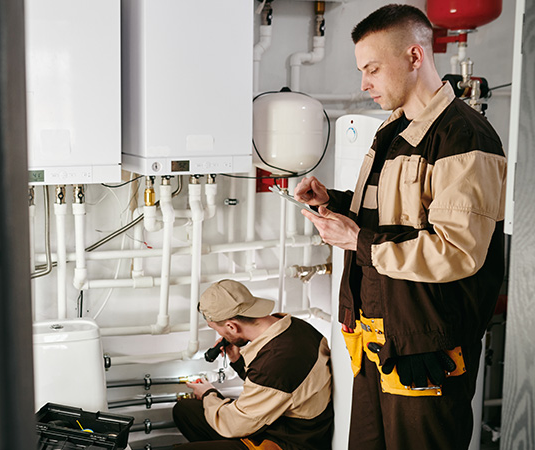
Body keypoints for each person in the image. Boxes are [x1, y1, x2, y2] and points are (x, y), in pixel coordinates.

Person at [294, 5, 506, 450]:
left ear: (414, 57)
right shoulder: (392, 131)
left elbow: (457, 251)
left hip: (426, 348)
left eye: (372, 68)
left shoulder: (464, 137)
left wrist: (357, 241)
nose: (364, 82)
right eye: (362, 70)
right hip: (378, 342)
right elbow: (388, 215)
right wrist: (331, 202)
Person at [172, 279, 333, 450]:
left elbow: (233, 425)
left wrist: (208, 393)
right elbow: (276, 386)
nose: (219, 334)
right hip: (279, 421)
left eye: (216, 329)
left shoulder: (275, 363)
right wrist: (237, 360)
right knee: (185, 411)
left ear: (231, 327)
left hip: (288, 441)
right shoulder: (292, 326)